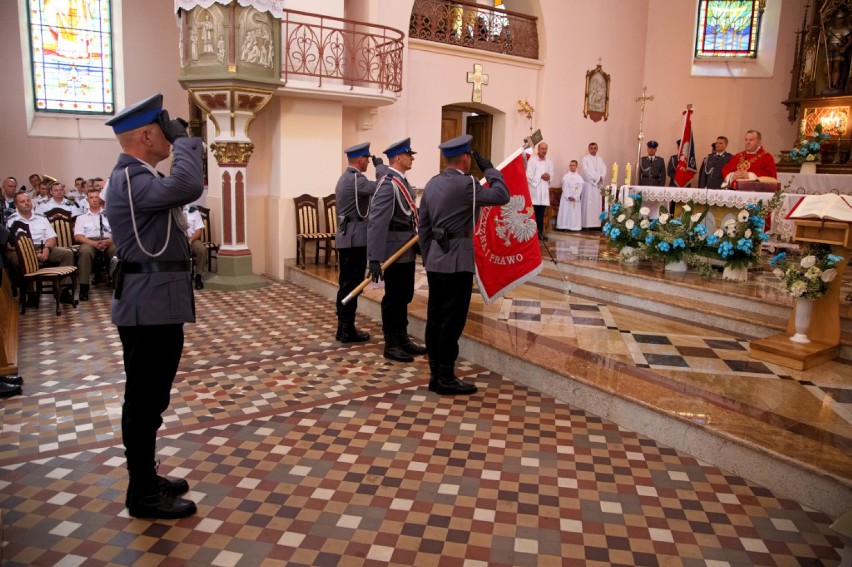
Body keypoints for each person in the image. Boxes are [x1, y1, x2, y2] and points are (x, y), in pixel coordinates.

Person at [104, 93, 202, 519]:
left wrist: (182, 147)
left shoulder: (141, 176)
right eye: (164, 131)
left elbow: (189, 185)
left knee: (151, 399)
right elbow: (188, 184)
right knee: (143, 402)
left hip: (156, 303)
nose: (170, 137)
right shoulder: (131, 178)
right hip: (148, 308)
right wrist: (186, 143)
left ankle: (146, 477)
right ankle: (142, 492)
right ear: (146, 135)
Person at [418, 135, 509, 395]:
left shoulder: (432, 184)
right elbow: (501, 195)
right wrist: (490, 169)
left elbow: (423, 226)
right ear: (466, 158)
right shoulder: (467, 183)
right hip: (458, 262)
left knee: (435, 319)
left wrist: (429, 255)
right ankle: (445, 377)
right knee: (452, 321)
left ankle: (436, 375)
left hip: (436, 260)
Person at [366, 138, 427, 363]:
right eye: (409, 155)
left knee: (404, 295)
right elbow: (377, 222)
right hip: (393, 250)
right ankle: (391, 344)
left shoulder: (399, 180)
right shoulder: (389, 184)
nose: (412, 158)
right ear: (398, 158)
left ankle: (403, 339)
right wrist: (374, 257)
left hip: (406, 248)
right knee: (393, 298)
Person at [334, 141, 388, 343]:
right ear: (360, 159)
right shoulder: (356, 180)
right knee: (352, 286)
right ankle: (346, 329)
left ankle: (344, 327)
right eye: (367, 158)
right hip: (355, 238)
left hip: (349, 236)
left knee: (347, 284)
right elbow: (380, 186)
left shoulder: (346, 177)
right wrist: (381, 167)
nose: (369, 161)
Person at [5, 192, 76, 304]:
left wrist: (46, 249)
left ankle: (64, 291)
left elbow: (52, 238)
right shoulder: (11, 220)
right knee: (16, 260)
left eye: (28, 200)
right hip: (21, 250)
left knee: (67, 254)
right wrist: (32, 254)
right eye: (22, 201)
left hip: (43, 246)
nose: (27, 203)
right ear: (16, 205)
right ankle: (30, 293)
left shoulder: (41, 218)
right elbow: (10, 245)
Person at [73, 187, 115, 301]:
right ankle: (84, 287)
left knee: (116, 250)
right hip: (90, 241)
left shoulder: (110, 214)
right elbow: (78, 236)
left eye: (97, 197)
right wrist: (94, 243)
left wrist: (110, 241)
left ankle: (118, 285)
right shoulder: (81, 218)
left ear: (100, 199)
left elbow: (119, 232)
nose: (95, 200)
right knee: (84, 251)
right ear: (87, 200)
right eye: (91, 198)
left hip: (109, 240)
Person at [525, 141, 553, 239]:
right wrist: (540, 176)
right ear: (538, 149)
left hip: (544, 192)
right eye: (542, 149)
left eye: (546, 149)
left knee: (541, 214)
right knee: (533, 214)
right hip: (535, 192)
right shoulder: (532, 161)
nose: (544, 151)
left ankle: (540, 234)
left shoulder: (549, 162)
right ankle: (531, 235)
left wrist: (548, 176)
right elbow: (528, 175)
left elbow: (551, 174)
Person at [579, 142, 606, 228]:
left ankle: (596, 224)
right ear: (589, 149)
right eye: (591, 148)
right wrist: (596, 179)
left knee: (597, 204)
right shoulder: (585, 159)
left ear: (597, 149)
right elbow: (585, 171)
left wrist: (600, 177)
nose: (593, 150)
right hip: (589, 185)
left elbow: (604, 169)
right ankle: (586, 224)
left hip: (597, 186)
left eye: (595, 148)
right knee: (588, 204)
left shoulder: (600, 159)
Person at [184, 205, 207, 290]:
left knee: (202, 249)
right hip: (178, 240)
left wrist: (190, 240)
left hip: (192, 239)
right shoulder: (173, 211)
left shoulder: (193, 211)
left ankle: (198, 276)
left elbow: (198, 231)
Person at [556, 160, 583, 231]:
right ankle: (563, 226)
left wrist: (575, 197)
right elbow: (564, 187)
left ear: (576, 166)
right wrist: (568, 196)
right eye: (570, 165)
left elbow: (580, 188)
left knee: (573, 213)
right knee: (565, 211)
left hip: (575, 199)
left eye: (573, 165)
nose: (571, 167)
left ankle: (574, 227)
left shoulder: (579, 178)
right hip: (566, 198)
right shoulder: (566, 176)